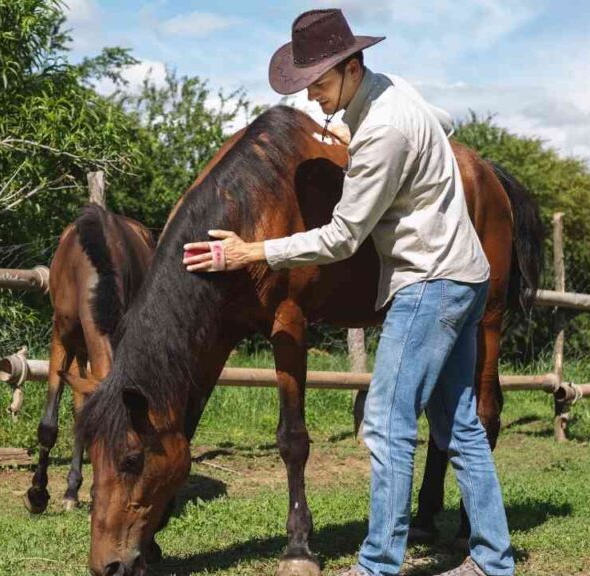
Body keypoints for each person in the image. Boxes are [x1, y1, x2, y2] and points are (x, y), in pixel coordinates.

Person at [182, 9, 515, 576]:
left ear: (351, 66)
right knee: (458, 422)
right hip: (464, 273)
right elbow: (442, 122)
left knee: (386, 420)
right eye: (306, 85)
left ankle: (378, 564)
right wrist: (348, 130)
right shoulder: (394, 93)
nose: (313, 98)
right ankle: (492, 560)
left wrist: (251, 252)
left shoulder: (382, 131)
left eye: (319, 83)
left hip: (429, 281)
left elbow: (342, 237)